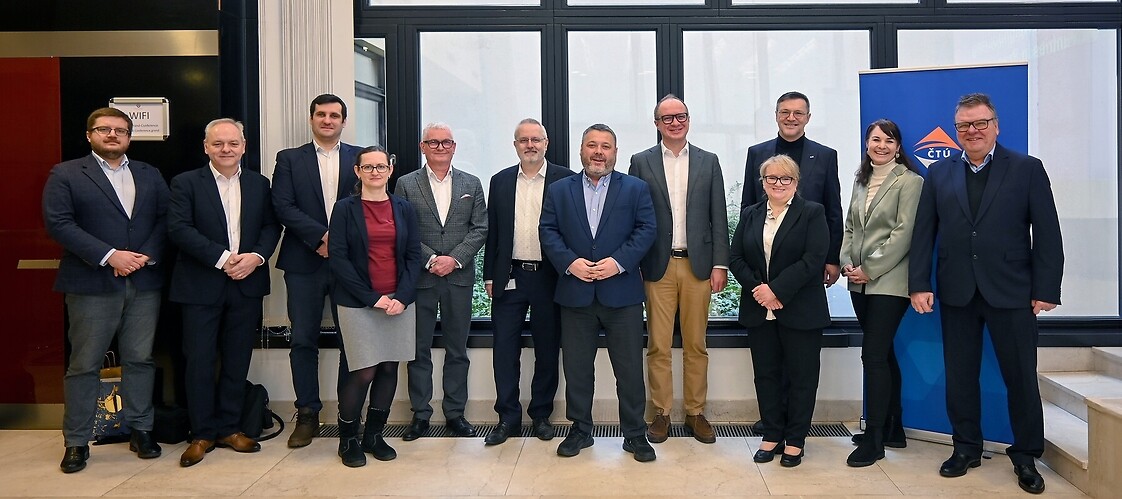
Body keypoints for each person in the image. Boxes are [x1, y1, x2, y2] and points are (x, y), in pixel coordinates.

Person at [909, 93, 1063, 495]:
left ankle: (1026, 455)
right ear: (956, 130)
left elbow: (1047, 232)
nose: (972, 131)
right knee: (960, 377)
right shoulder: (939, 174)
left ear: (995, 125)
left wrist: (1046, 289)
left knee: (1021, 378)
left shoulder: (1027, 169)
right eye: (964, 126)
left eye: (979, 123)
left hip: (1013, 291)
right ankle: (966, 448)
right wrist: (919, 283)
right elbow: (924, 232)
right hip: (957, 290)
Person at [43, 107, 170, 473]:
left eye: (120, 130)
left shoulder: (149, 174)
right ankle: (77, 442)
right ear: (89, 135)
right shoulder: (67, 173)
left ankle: (141, 429)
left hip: (143, 282)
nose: (112, 135)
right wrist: (110, 255)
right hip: (91, 283)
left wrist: (145, 256)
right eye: (104, 129)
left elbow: (166, 218)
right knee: (85, 364)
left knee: (140, 359)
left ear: (130, 136)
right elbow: (59, 223)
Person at [539, 123, 658, 462]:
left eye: (606, 146)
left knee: (629, 370)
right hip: (575, 292)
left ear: (615, 153)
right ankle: (580, 430)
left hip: (621, 293)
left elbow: (647, 229)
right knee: (577, 368)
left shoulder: (635, 188)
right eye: (592, 145)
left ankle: (635, 434)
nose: (598, 152)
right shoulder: (560, 190)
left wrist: (619, 263)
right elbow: (547, 231)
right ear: (581, 150)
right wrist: (569, 263)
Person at [168, 118, 281, 467]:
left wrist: (257, 257)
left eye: (233, 143)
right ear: (206, 147)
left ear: (244, 146)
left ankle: (230, 428)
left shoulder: (260, 184)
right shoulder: (185, 183)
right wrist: (222, 259)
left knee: (236, 360)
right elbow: (178, 229)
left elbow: (270, 225)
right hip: (200, 285)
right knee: (199, 361)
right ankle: (201, 433)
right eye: (218, 144)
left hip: (246, 283)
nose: (226, 149)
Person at [628, 94, 729, 444]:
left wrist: (720, 264)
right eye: (667, 118)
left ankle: (696, 413)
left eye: (680, 116)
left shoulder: (708, 161)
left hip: (699, 266)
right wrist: (635, 264)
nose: (675, 122)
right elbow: (633, 217)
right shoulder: (640, 162)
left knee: (696, 344)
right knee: (657, 344)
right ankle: (660, 413)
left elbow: (719, 215)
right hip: (657, 266)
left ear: (689, 119)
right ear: (656, 123)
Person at [271, 94, 363, 448]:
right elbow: (282, 205)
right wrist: (320, 237)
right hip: (304, 262)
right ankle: (307, 413)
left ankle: (347, 414)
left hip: (350, 265)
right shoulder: (290, 159)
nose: (328, 120)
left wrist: (337, 242)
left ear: (344, 121)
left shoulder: (360, 158)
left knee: (350, 342)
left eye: (334, 115)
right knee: (303, 339)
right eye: (321, 115)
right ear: (311, 119)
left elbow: (369, 205)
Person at [730, 154, 829, 468]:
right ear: (763, 182)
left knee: (802, 377)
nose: (777, 183)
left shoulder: (812, 212)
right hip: (760, 309)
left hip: (801, 309)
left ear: (795, 182)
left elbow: (813, 259)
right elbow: (736, 258)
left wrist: (777, 290)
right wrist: (761, 290)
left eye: (785, 178)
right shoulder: (750, 214)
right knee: (767, 376)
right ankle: (772, 434)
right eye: (771, 178)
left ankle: (796, 440)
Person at [481, 119, 574, 445]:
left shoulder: (566, 179)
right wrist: (490, 275)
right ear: (516, 144)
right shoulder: (501, 181)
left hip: (550, 277)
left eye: (536, 139)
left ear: (546, 143)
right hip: (510, 276)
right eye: (524, 140)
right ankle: (507, 417)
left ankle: (541, 415)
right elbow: (493, 232)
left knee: (548, 349)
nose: (530, 145)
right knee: (504, 349)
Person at [328, 146, 423, 467]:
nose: (375, 172)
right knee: (363, 370)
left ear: (390, 170)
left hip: (398, 302)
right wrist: (373, 298)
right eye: (368, 167)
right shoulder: (344, 209)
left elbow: (413, 256)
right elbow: (338, 259)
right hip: (358, 303)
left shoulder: (404, 208)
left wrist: (402, 297)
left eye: (380, 167)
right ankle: (348, 439)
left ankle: (374, 435)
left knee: (388, 367)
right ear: (357, 172)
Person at [394, 122, 487, 440]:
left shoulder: (471, 183)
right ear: (423, 147)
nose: (440, 148)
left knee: (457, 349)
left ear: (454, 146)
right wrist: (432, 259)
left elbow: (480, 228)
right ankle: (420, 415)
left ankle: (455, 414)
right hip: (421, 277)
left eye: (446, 143)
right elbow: (402, 229)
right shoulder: (406, 184)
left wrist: (455, 259)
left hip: (458, 276)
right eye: (433, 143)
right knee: (417, 350)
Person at [839, 119, 923, 467]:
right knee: (884, 354)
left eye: (889, 140)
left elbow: (903, 234)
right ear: (867, 144)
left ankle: (874, 440)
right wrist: (846, 262)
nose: (882, 145)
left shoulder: (911, 181)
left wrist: (869, 268)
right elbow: (849, 226)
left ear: (898, 146)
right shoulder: (861, 180)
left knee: (872, 356)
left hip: (889, 282)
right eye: (876, 139)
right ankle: (893, 427)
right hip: (858, 282)